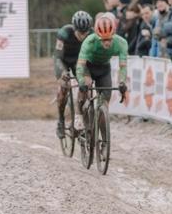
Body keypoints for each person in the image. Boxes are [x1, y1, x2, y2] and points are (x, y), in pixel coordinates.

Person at [76, 11, 129, 111]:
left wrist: (122, 82)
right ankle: (79, 114)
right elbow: (80, 65)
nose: (107, 43)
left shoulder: (121, 43)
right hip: (89, 66)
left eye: (109, 39)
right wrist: (81, 81)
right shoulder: (89, 41)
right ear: (97, 36)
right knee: (86, 85)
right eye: (103, 40)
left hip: (104, 68)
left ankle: (101, 116)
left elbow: (123, 67)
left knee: (105, 100)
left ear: (114, 34)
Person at [53, 10, 92, 138]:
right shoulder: (64, 32)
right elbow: (57, 57)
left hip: (79, 63)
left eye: (85, 32)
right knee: (64, 86)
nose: (83, 35)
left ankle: (83, 119)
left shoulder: (91, 34)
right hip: (63, 61)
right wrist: (63, 72)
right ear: (74, 28)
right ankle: (60, 120)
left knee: (86, 86)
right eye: (80, 32)